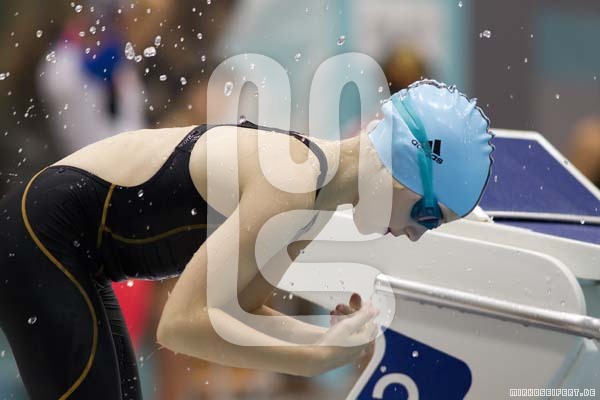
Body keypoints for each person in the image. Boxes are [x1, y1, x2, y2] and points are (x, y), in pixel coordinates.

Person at [0, 79, 493, 399]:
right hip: (42, 237)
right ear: (405, 171)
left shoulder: (315, 201)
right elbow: (182, 324)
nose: (415, 234)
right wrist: (316, 357)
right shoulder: (293, 180)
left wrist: (330, 340)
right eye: (429, 216)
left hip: (71, 250)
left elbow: (239, 312)